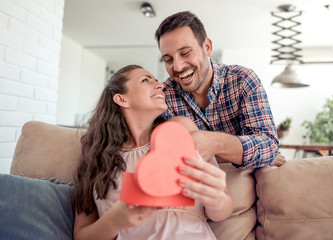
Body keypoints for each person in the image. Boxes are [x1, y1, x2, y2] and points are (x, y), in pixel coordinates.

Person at [73, 64, 233, 240]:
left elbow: (222, 211)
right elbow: (81, 235)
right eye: (146, 81)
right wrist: (114, 221)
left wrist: (217, 199)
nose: (160, 85)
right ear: (122, 99)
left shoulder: (180, 129)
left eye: (156, 80)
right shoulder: (97, 156)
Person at [155, 11, 286, 168]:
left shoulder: (243, 79)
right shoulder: (163, 97)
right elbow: (171, 156)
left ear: (207, 47)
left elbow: (269, 146)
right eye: (168, 60)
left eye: (185, 53)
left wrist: (213, 142)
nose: (177, 66)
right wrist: (242, 154)